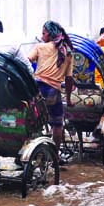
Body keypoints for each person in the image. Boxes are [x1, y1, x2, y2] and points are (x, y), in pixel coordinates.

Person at [28, 21, 75, 149]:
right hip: (53, 90)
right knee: (57, 124)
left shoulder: (40, 47)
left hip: (36, 89)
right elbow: (69, 78)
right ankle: (55, 154)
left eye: (43, 33)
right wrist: (69, 99)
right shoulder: (68, 52)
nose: (42, 36)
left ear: (49, 34)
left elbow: (27, 61)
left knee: (33, 120)